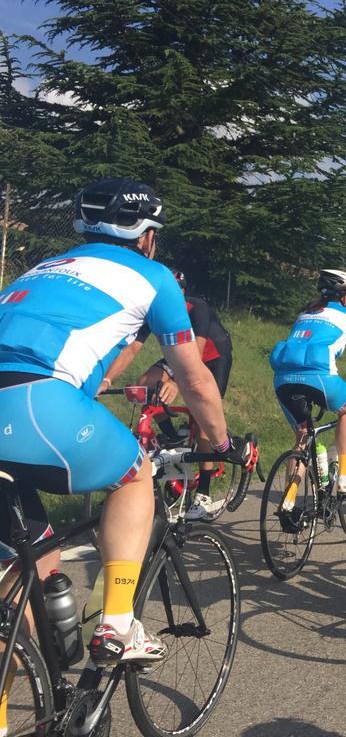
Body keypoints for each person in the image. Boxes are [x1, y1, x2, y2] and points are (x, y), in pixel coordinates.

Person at [0, 178, 246, 679]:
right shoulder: (155, 277)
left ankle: (25, 678)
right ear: (146, 235)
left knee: (33, 556)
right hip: (36, 402)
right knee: (135, 475)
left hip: (25, 403)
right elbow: (196, 380)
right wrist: (223, 445)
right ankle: (117, 625)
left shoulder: (43, 267)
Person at [100, 269, 234, 520]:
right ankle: (172, 437)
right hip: (180, 355)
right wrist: (106, 380)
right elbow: (131, 349)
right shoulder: (153, 310)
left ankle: (203, 493)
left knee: (203, 417)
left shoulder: (197, 308)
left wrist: (175, 381)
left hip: (213, 357)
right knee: (145, 384)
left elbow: (197, 352)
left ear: (182, 292)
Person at [270, 270, 346, 502]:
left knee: (302, 438)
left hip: (283, 381)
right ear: (345, 296)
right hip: (321, 378)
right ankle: (345, 476)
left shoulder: (304, 314)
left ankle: (288, 501)